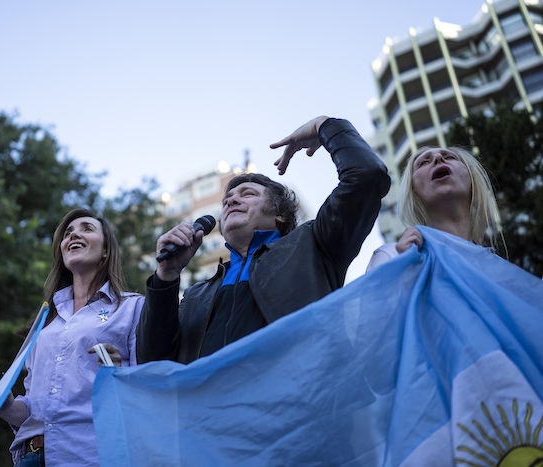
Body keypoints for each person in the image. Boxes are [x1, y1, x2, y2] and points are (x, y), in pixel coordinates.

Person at [136, 115, 391, 364]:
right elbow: (153, 364)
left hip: (298, 403)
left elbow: (367, 176)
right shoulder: (195, 295)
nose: (231, 200)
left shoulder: (314, 246)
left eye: (247, 194)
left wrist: (324, 126)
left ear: (280, 215)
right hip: (207, 407)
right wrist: (166, 277)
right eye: (226, 200)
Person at [0, 208, 144, 466]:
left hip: (90, 457)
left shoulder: (133, 309)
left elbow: (146, 389)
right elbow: (34, 409)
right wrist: (7, 408)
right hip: (29, 458)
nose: (74, 235)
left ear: (106, 250)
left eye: (87, 229)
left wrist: (120, 373)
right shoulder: (44, 325)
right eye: (68, 233)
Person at [366, 147, 503, 272]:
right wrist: (406, 271)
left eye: (450, 157)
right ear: (413, 192)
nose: (438, 159)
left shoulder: (498, 268)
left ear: (472, 183)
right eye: (423, 163)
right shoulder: (390, 257)